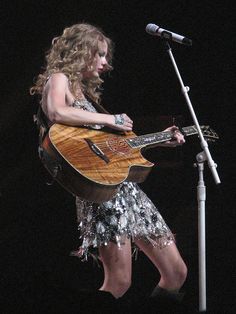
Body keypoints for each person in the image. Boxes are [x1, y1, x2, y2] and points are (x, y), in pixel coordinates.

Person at [30, 23, 187, 302]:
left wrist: (160, 140)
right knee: (119, 282)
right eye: (100, 54)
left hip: (129, 190)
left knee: (176, 272)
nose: (105, 63)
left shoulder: (86, 96)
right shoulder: (59, 78)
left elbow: (114, 148)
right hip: (102, 192)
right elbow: (55, 111)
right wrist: (110, 119)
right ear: (81, 51)